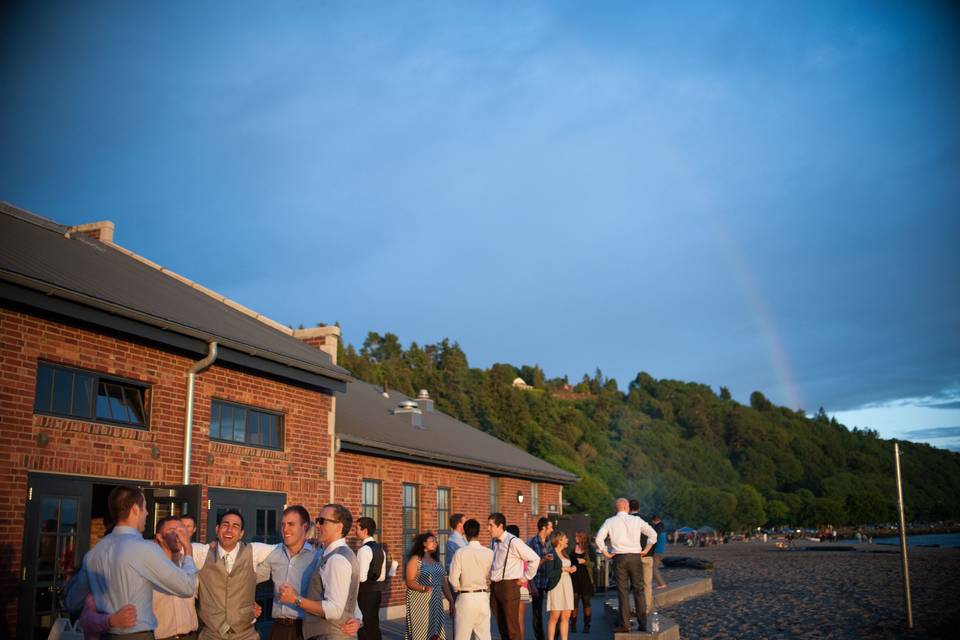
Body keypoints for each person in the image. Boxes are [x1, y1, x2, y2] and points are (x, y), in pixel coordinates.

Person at [66, 485, 197, 639]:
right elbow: (187, 587)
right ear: (135, 509)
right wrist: (188, 550)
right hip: (137, 635)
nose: (147, 513)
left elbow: (72, 602)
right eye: (145, 508)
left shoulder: (95, 552)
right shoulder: (145, 549)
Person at [280, 503, 361, 640]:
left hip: (332, 635)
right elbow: (347, 596)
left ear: (339, 527)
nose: (317, 525)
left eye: (322, 521)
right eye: (318, 521)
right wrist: (358, 618)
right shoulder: (332, 554)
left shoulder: (337, 559)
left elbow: (334, 610)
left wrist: (295, 599)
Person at [594, 498, 657, 632]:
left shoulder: (609, 521)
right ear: (626, 507)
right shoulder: (636, 520)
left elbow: (599, 539)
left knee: (622, 592)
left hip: (619, 558)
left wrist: (606, 553)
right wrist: (646, 550)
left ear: (617, 508)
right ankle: (643, 623)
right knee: (639, 590)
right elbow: (653, 534)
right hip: (635, 557)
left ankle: (625, 625)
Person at [487, 513, 540, 640]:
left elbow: (535, 558)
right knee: (501, 625)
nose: (488, 528)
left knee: (512, 627)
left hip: (509, 586)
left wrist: (525, 577)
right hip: (495, 586)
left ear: (500, 526)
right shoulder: (493, 542)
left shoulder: (514, 541)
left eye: (491, 525)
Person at [152, 516, 200, 640]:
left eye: (182, 530)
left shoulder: (190, 565)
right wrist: (188, 550)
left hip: (190, 636)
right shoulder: (150, 567)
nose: (179, 535)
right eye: (173, 530)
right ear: (159, 537)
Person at [447, 519, 493, 640]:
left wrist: (458, 588)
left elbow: (452, 578)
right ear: (478, 532)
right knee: (484, 636)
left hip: (466, 597)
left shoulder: (460, 552)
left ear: (465, 534)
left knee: (462, 637)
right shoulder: (489, 552)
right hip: (483, 597)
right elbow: (490, 573)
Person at [404, 532, 454, 640]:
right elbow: (409, 581)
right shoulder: (416, 560)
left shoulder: (436, 561)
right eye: (432, 541)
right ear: (424, 543)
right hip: (420, 602)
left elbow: (444, 583)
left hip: (436, 602)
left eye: (436, 541)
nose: (435, 543)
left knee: (437, 634)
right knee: (422, 633)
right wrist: (423, 588)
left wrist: (451, 601)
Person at [356, 517, 387, 640]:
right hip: (376, 592)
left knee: (364, 627)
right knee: (373, 625)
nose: (355, 531)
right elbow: (382, 576)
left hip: (365, 593)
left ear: (365, 530)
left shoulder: (364, 550)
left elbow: (361, 578)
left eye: (357, 528)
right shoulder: (380, 549)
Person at [544, 531, 576, 640]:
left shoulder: (565, 553)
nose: (567, 540)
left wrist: (573, 568)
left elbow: (570, 564)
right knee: (554, 617)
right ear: (559, 540)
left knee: (566, 616)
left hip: (567, 585)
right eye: (565, 538)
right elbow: (549, 573)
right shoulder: (551, 554)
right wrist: (563, 569)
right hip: (556, 586)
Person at [527, 518, 554, 640]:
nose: (552, 530)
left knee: (555, 609)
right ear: (543, 528)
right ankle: (540, 637)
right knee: (537, 612)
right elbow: (529, 564)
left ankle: (554, 635)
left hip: (550, 580)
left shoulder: (551, 542)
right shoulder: (531, 543)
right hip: (537, 581)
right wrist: (544, 560)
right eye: (550, 527)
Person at [568, 531, 594, 633]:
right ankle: (573, 625)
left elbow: (594, 564)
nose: (575, 538)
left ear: (582, 537)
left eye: (577, 536)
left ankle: (587, 625)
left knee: (586, 603)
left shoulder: (589, 549)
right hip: (574, 579)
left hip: (586, 579)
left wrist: (585, 562)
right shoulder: (572, 548)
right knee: (574, 603)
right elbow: (569, 560)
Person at [649, 515, 667, 590]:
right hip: (661, 551)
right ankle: (655, 582)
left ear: (653, 520)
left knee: (654, 568)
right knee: (653, 568)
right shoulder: (663, 527)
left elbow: (654, 539)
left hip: (657, 551)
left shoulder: (657, 528)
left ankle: (661, 584)